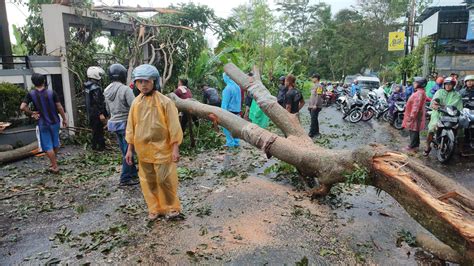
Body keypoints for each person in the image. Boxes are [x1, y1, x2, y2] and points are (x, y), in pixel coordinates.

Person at [125, 64, 183, 220]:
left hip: (163, 150)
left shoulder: (165, 102)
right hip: (143, 151)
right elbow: (131, 127)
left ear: (154, 82)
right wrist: (129, 149)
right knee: (148, 181)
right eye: (139, 82)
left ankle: (172, 207)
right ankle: (155, 208)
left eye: (147, 81)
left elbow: (173, 126)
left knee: (165, 180)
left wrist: (175, 147)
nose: (143, 85)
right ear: (136, 84)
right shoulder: (135, 103)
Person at [20, 73, 67, 173]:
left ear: (33, 83)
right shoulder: (52, 93)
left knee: (47, 145)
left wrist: (32, 113)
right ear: (44, 81)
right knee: (55, 142)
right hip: (55, 121)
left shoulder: (31, 94)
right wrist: (64, 119)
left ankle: (54, 166)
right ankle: (54, 162)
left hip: (43, 123)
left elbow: (22, 107)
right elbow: (60, 107)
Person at [104, 63, 139, 186]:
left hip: (114, 123)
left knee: (125, 150)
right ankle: (125, 178)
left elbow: (107, 110)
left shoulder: (106, 90)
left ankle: (133, 173)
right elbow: (135, 106)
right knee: (128, 151)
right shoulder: (125, 89)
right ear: (122, 74)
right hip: (125, 123)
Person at [424, 77, 463, 156]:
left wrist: (459, 113)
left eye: (450, 84)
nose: (448, 86)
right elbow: (435, 101)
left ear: (453, 85)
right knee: (431, 128)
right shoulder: (439, 92)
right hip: (439, 114)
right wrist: (435, 104)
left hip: (452, 115)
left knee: (461, 130)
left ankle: (460, 149)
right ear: (444, 85)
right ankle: (428, 147)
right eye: (446, 84)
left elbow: (459, 108)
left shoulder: (457, 95)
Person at [84, 66, 107, 151]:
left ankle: (94, 147)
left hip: (90, 113)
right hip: (96, 113)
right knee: (99, 131)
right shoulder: (95, 88)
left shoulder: (87, 86)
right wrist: (101, 113)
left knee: (94, 130)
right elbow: (97, 102)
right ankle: (101, 148)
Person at [402, 77, 428, 153]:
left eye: (415, 82)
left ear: (419, 84)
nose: (414, 83)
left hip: (415, 116)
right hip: (416, 115)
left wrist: (412, 116)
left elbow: (416, 106)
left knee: (413, 130)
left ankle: (412, 146)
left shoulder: (419, 93)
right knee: (415, 130)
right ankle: (416, 145)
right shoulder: (420, 92)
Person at [221, 73, 241, 148]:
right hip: (237, 111)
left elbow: (225, 103)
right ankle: (236, 142)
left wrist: (222, 113)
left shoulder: (227, 89)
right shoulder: (237, 87)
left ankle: (230, 143)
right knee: (236, 128)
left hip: (229, 112)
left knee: (227, 128)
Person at [308, 74, 323, 138]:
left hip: (315, 106)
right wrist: (310, 105)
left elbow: (318, 96)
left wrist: (315, 105)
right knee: (314, 119)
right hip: (311, 106)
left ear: (316, 78)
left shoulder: (319, 86)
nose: (312, 79)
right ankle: (316, 132)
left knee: (313, 119)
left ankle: (311, 133)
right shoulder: (314, 86)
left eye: (313, 78)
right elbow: (312, 96)